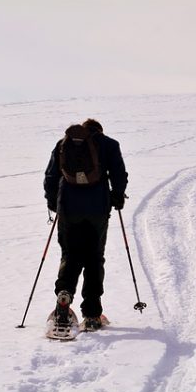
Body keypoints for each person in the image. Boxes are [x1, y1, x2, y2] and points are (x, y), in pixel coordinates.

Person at [44, 119, 128, 330]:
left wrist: (54, 202)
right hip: (97, 211)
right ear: (98, 131)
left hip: (68, 210)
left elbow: (51, 176)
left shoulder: (63, 144)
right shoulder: (109, 144)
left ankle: (64, 295)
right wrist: (117, 197)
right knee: (94, 258)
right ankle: (92, 313)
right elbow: (119, 174)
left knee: (70, 255)